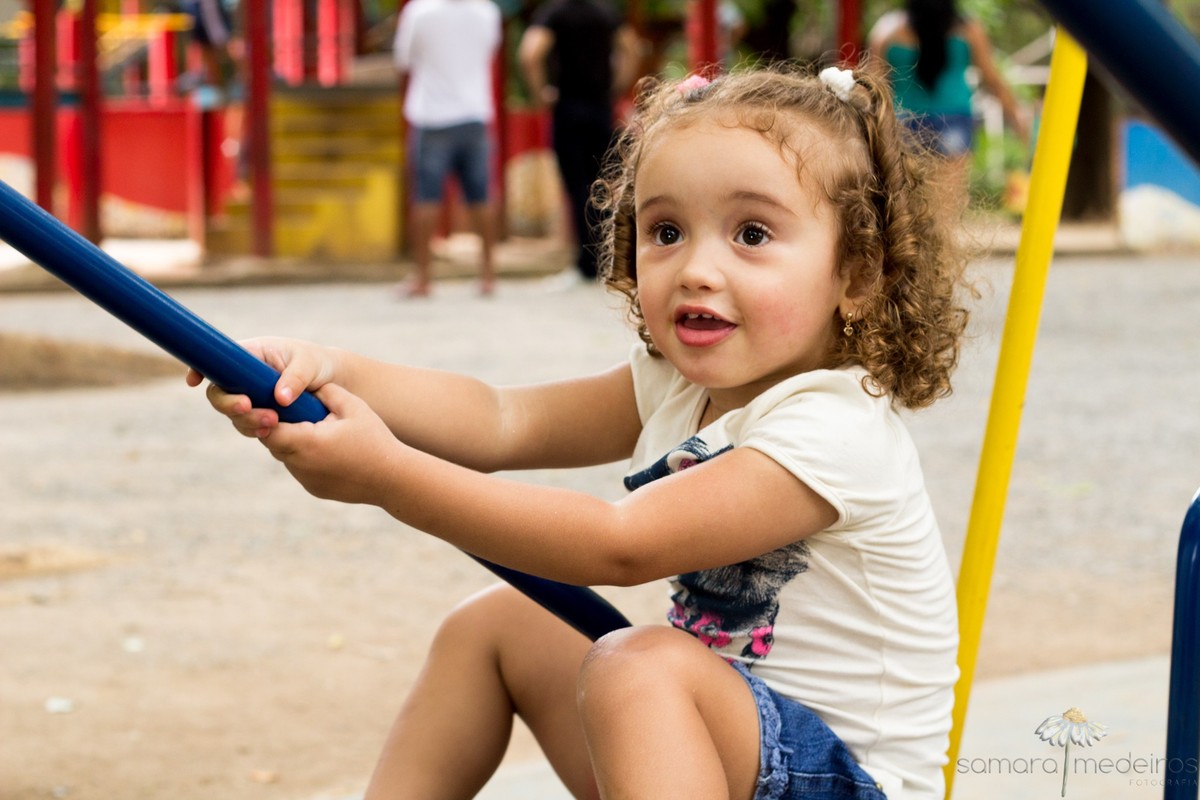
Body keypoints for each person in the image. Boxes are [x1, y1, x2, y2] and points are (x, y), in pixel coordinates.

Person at [189, 63, 972, 799]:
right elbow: (503, 419)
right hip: (715, 750)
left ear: (858, 276)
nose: (696, 268)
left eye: (752, 235)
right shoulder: (677, 385)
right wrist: (330, 368)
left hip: (841, 781)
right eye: (666, 232)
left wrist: (386, 478)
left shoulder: (833, 428)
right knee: (500, 626)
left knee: (641, 664)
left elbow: (619, 545)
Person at [518, 0, 639, 284]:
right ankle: (609, 260)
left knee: (576, 186)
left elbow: (529, 55)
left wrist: (541, 95)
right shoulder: (607, 11)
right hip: (600, 109)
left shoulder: (553, 12)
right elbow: (631, 50)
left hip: (567, 109)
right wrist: (615, 87)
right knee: (604, 185)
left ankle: (586, 264)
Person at [393, 0, 501, 297]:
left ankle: (423, 278)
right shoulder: (486, 11)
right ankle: (488, 275)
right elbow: (489, 51)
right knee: (481, 196)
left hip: (431, 116)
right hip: (475, 113)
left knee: (426, 197)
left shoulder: (419, 11)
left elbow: (404, 58)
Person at [869, 0, 1029, 161]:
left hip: (904, 123)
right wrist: (1016, 116)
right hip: (954, 121)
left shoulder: (887, 31)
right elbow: (992, 81)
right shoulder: (968, 30)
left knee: (906, 186)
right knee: (951, 186)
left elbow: (872, 90)